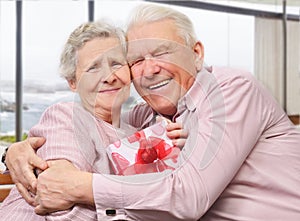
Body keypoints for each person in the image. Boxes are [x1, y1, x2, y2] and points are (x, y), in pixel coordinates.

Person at [4, 4, 300, 221]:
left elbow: (187, 196)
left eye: (161, 52)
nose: (149, 69)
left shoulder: (229, 88)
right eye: (136, 60)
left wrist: (79, 186)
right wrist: (12, 153)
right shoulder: (147, 116)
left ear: (196, 53)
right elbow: (92, 120)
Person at [0, 19, 184, 220]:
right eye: (93, 68)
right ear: (73, 82)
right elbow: (61, 208)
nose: (109, 76)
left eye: (116, 63)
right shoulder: (67, 116)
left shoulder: (137, 127)